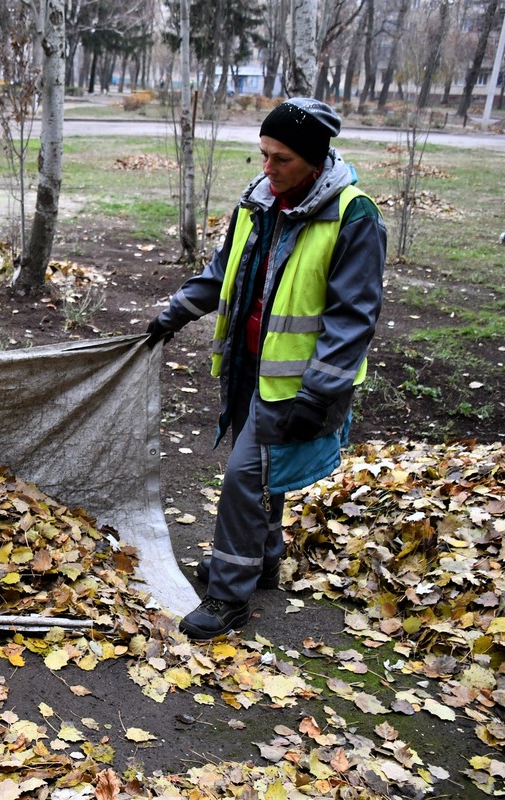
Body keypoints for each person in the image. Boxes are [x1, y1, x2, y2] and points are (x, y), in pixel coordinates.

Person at [145, 98, 386, 640]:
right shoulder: (259, 201)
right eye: (264, 155)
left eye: (281, 159)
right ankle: (266, 560)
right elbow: (220, 273)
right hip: (250, 366)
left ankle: (228, 595)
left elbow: (353, 318)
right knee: (261, 472)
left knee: (243, 477)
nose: (268, 169)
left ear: (316, 161)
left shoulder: (353, 215)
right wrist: (171, 316)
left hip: (302, 382)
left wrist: (320, 393)